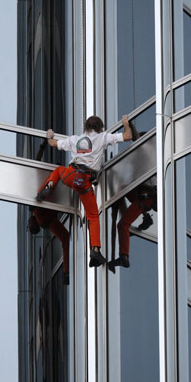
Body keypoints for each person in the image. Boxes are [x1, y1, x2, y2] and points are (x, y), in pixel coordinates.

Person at [36, 115, 132, 267]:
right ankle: (94, 250)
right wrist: (126, 123)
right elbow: (127, 136)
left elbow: (53, 143)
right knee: (93, 216)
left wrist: (49, 136)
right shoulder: (103, 137)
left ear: (86, 127)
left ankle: (49, 185)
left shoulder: (74, 139)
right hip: (84, 180)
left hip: (70, 175)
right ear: (100, 127)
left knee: (59, 170)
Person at [108, 122, 157, 272]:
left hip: (145, 197)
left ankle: (124, 257)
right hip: (142, 194)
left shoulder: (148, 153)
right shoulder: (145, 160)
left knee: (122, 225)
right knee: (122, 188)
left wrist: (131, 126)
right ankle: (146, 217)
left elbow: (138, 141)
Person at [27, 139, 70, 284]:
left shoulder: (41, 217)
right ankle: (51, 184)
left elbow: (65, 238)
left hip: (53, 187)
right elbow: (65, 238)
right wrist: (66, 271)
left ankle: (50, 184)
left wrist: (66, 271)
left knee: (39, 194)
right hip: (53, 187)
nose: (29, 223)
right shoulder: (40, 216)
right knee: (39, 194)